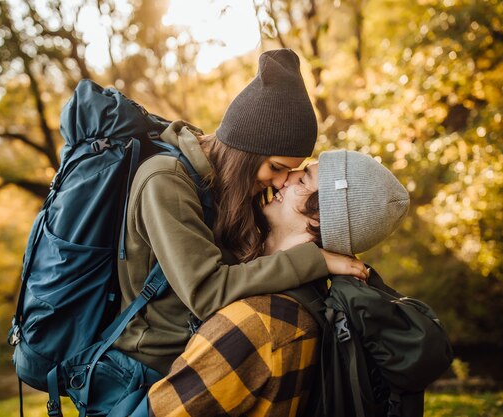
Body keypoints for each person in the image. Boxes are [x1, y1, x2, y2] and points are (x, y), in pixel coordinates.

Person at [112, 48, 369, 380]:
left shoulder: (229, 187)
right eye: (275, 167)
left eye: (290, 171)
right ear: (245, 149)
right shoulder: (166, 181)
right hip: (149, 372)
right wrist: (316, 260)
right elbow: (208, 292)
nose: (280, 182)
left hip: (204, 359)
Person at [147, 150, 410, 417]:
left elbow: (163, 411)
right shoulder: (314, 303)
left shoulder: (257, 323)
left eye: (304, 180)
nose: (286, 178)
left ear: (321, 218)